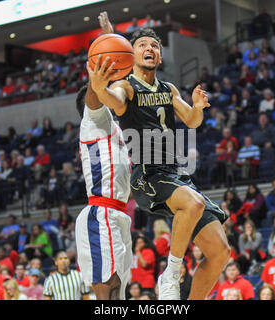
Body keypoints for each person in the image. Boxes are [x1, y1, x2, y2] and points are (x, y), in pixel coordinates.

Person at [87, 17, 230, 300]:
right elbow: (113, 100)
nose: (149, 48)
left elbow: (191, 120)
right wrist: (101, 87)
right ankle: (171, 273)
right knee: (194, 203)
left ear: (161, 56)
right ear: (133, 54)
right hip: (147, 175)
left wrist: (198, 107)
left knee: (220, 253)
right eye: (142, 45)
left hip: (175, 174)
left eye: (154, 45)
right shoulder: (126, 86)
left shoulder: (169, 89)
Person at [75, 12, 133, 301]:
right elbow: (95, 96)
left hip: (119, 213)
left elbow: (127, 79)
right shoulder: (92, 121)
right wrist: (103, 56)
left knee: (120, 289)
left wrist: (112, 37)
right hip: (101, 212)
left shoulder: (116, 128)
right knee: (106, 287)